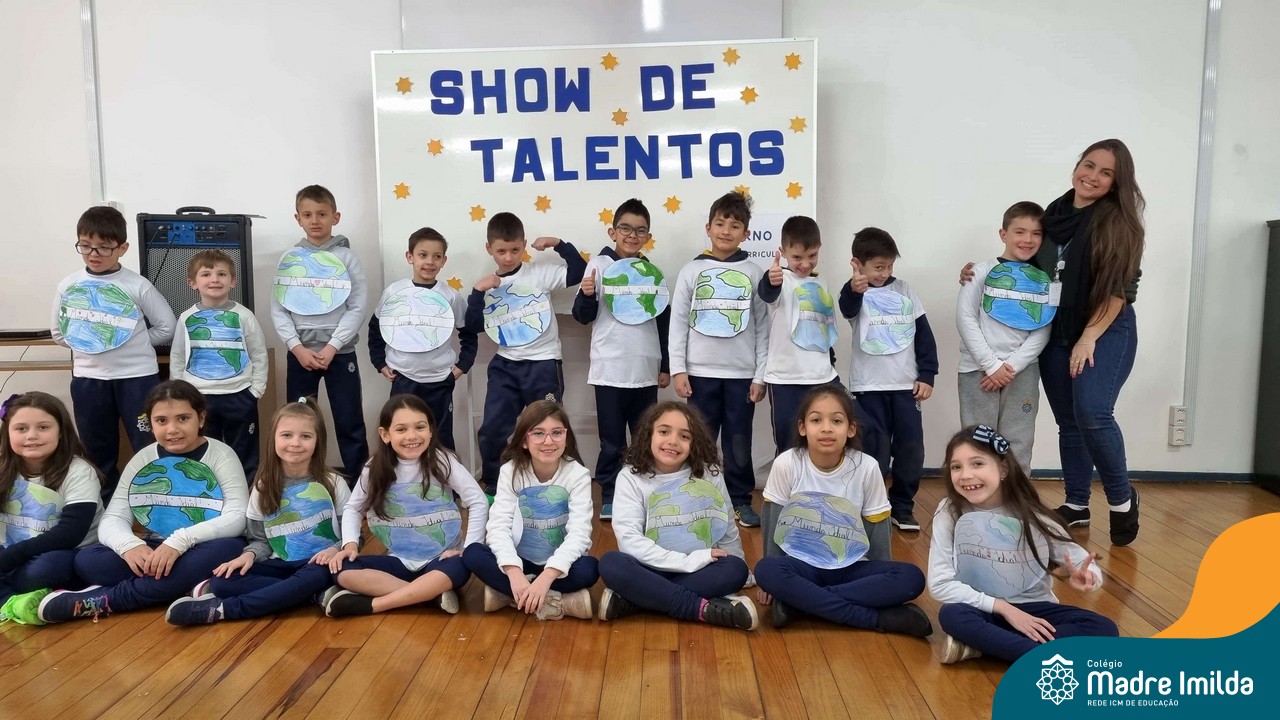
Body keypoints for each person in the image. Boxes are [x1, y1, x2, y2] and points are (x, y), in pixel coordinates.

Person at [959, 139, 1145, 545]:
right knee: (1068, 421)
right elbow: (1022, 265)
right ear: (1078, 165)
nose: (1092, 176)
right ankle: (1077, 503)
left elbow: (1120, 289)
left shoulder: (1119, 224)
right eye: (1088, 165)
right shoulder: (1053, 216)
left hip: (1104, 329)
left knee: (1093, 412)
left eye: (1106, 173)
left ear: (1116, 182)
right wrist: (979, 273)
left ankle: (1121, 500)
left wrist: (1089, 337)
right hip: (1056, 329)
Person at [37, 380, 247, 623]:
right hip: (155, 548)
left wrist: (179, 542)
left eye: (183, 418)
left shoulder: (222, 455)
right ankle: (187, 586)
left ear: (200, 419)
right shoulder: (143, 458)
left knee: (230, 548)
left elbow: (237, 517)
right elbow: (114, 517)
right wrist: (129, 546)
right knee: (88, 560)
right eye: (162, 421)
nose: (172, 429)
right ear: (150, 423)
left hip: (200, 546)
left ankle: (107, 600)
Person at [929, 425, 1117, 663]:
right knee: (952, 614)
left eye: (977, 463)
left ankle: (986, 647)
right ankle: (1039, 655)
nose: (965, 475)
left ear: (1003, 469)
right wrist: (1006, 609)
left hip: (1036, 610)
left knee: (1103, 628)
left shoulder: (1033, 514)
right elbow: (940, 584)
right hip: (985, 610)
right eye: (956, 467)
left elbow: (1080, 559)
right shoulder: (949, 511)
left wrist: (1089, 576)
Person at [753, 386, 932, 637]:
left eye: (836, 421)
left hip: (852, 568)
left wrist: (882, 583)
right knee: (766, 570)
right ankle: (873, 619)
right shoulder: (787, 463)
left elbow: (878, 529)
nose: (826, 428)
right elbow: (773, 521)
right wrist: (770, 585)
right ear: (803, 427)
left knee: (911, 577)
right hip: (801, 566)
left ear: (851, 429)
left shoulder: (867, 467)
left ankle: (798, 604)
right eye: (816, 420)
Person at [164, 398, 350, 625]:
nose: (295, 443)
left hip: (319, 565)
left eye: (306, 436)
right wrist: (247, 556)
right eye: (286, 435)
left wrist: (334, 549)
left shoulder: (334, 483)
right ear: (273, 439)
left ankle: (224, 610)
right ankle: (313, 595)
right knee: (222, 581)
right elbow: (260, 540)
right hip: (279, 564)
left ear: (318, 440)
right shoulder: (263, 486)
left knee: (317, 575)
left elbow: (352, 537)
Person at [50, 205, 176, 500]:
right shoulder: (69, 285)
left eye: (104, 247)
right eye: (85, 246)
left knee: (149, 444)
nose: (93, 254)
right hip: (89, 380)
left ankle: (155, 502)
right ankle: (105, 508)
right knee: (96, 449)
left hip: (138, 379)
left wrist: (132, 342)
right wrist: (93, 344)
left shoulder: (137, 285)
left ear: (122, 248)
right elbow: (59, 333)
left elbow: (167, 326)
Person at [596, 401, 757, 630]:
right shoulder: (630, 477)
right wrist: (687, 562)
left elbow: (727, 527)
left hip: (700, 568)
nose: (673, 441)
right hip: (650, 567)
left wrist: (739, 565)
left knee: (735, 569)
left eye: (684, 436)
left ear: (694, 442)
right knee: (611, 563)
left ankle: (637, 600)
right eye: (664, 432)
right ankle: (702, 609)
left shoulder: (709, 474)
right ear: (648, 435)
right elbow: (629, 540)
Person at [323, 394, 486, 617]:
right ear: (385, 435)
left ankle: (376, 604)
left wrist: (467, 549)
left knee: (460, 567)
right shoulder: (374, 467)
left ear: (431, 430)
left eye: (420, 427)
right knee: (342, 569)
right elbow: (353, 508)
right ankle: (429, 596)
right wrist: (350, 545)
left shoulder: (443, 460)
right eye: (401, 429)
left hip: (441, 560)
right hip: (398, 561)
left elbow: (478, 500)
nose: (412, 436)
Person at [467, 212, 587, 495]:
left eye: (514, 250)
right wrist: (477, 292)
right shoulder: (488, 285)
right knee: (492, 429)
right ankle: (495, 484)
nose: (508, 257)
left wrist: (559, 244)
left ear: (523, 245)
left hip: (543, 363)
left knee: (549, 426)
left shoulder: (538, 273)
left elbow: (579, 271)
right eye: (501, 251)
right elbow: (473, 326)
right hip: (506, 365)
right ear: (489, 249)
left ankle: (557, 483)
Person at [669, 191, 769, 527]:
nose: (726, 231)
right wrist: (679, 369)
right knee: (700, 440)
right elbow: (678, 322)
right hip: (699, 375)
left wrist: (759, 376)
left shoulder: (754, 273)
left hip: (741, 376)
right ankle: (698, 497)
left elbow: (763, 327)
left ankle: (740, 500)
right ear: (708, 228)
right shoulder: (691, 270)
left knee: (739, 441)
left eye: (735, 225)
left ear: (746, 233)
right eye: (720, 223)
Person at [572, 198, 671, 519]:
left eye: (640, 230)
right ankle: (611, 495)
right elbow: (582, 316)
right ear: (613, 232)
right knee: (612, 441)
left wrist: (666, 365)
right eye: (626, 228)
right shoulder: (598, 265)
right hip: (609, 369)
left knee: (645, 438)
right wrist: (587, 295)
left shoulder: (651, 272)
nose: (632, 235)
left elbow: (663, 321)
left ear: (648, 237)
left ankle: (643, 493)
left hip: (645, 368)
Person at [838, 227, 938, 531]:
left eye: (890, 266)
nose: (885, 273)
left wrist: (927, 374)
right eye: (878, 267)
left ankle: (902, 507)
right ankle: (872, 504)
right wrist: (854, 288)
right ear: (857, 264)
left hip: (906, 387)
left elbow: (923, 334)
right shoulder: (854, 292)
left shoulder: (905, 290)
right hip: (868, 388)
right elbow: (847, 309)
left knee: (911, 449)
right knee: (873, 451)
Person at [462, 400, 596, 621]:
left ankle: (510, 597)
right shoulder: (510, 471)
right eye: (538, 433)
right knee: (473, 553)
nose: (548, 441)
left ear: (566, 437)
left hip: (557, 567)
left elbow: (579, 535)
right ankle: (557, 601)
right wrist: (514, 573)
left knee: (589, 569)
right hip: (520, 561)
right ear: (524, 441)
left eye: (556, 433)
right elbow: (498, 528)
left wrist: (546, 578)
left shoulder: (578, 474)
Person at [270, 185, 368, 482]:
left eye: (322, 214)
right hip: (301, 355)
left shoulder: (347, 257)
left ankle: (361, 487)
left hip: (340, 354)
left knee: (349, 420)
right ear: (298, 218)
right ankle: (301, 482)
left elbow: (357, 305)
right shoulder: (290, 258)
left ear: (335, 217)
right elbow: (278, 307)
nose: (315, 220)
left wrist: (333, 346)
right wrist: (296, 347)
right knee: (299, 423)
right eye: (308, 214)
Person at [955, 203, 1051, 471]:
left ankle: (1016, 496)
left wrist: (1011, 367)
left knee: (1019, 440)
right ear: (1003, 234)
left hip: (1022, 372)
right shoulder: (979, 272)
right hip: (977, 369)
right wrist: (991, 365)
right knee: (977, 441)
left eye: (1036, 233)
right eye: (1020, 232)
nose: (1027, 239)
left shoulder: (1043, 279)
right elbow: (965, 318)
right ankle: (977, 495)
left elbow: (1043, 327)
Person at [368, 227, 479, 450]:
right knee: (402, 436)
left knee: (441, 438)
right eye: (423, 255)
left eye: (437, 256)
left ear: (444, 260)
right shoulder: (394, 292)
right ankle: (400, 474)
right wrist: (379, 363)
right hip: (403, 378)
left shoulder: (451, 296)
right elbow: (376, 328)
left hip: (440, 380)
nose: (430, 262)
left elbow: (468, 334)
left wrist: (461, 367)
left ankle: (444, 474)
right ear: (410, 257)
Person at [0, 392, 102, 623]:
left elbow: (69, 534)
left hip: (65, 552)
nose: (32, 436)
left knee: (47, 568)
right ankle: (14, 601)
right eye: (21, 429)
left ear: (61, 431)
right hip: (13, 552)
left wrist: (9, 558)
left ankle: (10, 596)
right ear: (7, 433)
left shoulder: (79, 471)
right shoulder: (3, 466)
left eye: (43, 427)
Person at [170, 250, 268, 480]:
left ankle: (246, 494)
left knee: (244, 452)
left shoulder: (244, 316)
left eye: (222, 274)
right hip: (199, 397)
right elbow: (177, 356)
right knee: (203, 451)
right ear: (193, 283)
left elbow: (258, 353)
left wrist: (256, 390)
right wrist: (179, 393)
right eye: (206, 274)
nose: (214, 279)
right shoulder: (186, 318)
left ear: (232, 281)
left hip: (240, 395)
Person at [757, 215, 841, 454]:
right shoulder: (779, 279)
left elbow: (823, 324)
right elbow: (767, 294)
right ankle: (786, 480)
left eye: (812, 255)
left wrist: (830, 361)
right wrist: (771, 281)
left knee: (825, 439)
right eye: (797, 257)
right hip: (785, 379)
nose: (805, 263)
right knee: (788, 443)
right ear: (783, 252)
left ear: (819, 249)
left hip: (822, 376)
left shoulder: (822, 280)